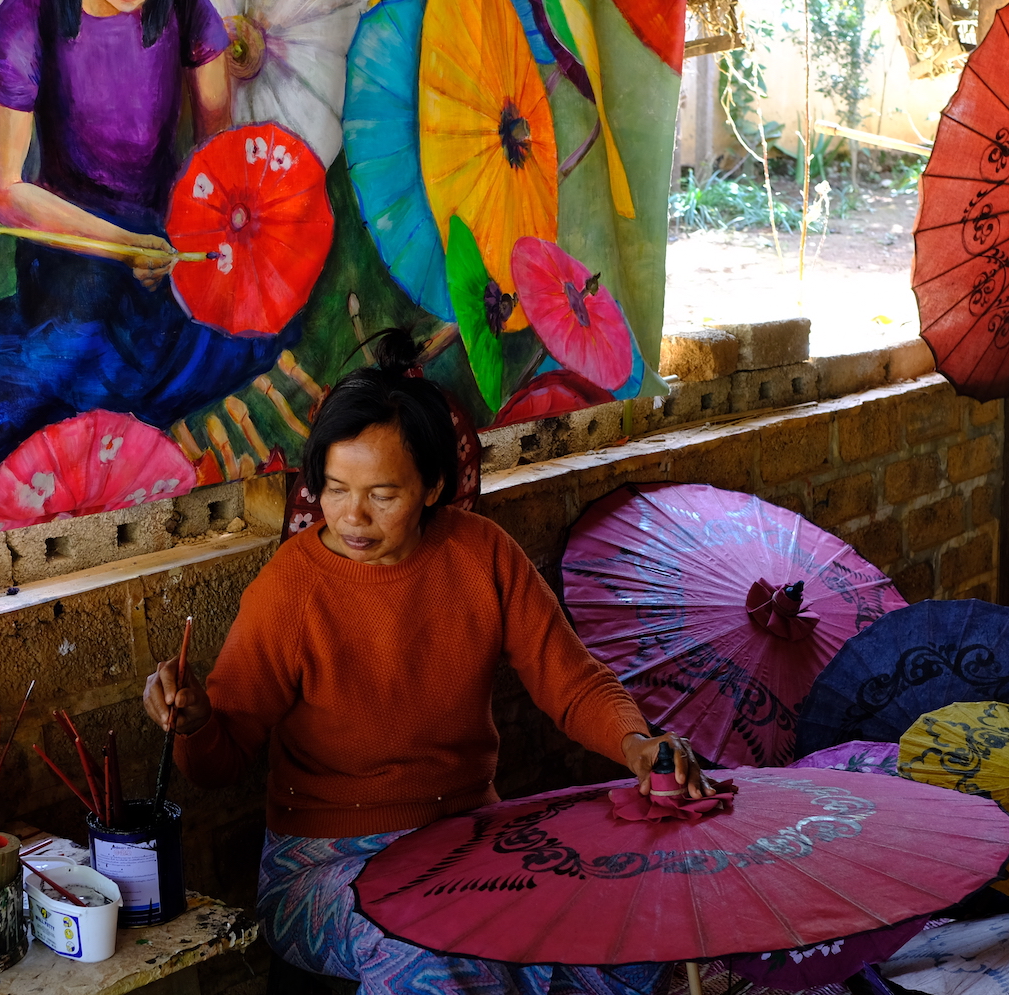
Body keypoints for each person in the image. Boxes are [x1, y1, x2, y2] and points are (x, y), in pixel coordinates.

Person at [142, 330, 710, 994]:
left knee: (610, 927)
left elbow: (572, 681)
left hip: (470, 841)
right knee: (430, 957)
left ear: (434, 487)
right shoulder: (291, 589)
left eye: (383, 494)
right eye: (333, 489)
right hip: (323, 866)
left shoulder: (481, 555)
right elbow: (220, 760)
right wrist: (195, 723)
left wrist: (636, 745)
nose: (352, 516)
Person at [0, 0, 299, 471]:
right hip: (69, 245)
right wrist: (122, 244)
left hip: (171, 234)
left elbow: (218, 152)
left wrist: (186, 239)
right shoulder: (30, 14)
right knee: (83, 342)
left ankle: (111, 394)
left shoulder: (183, 2)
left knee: (256, 325)